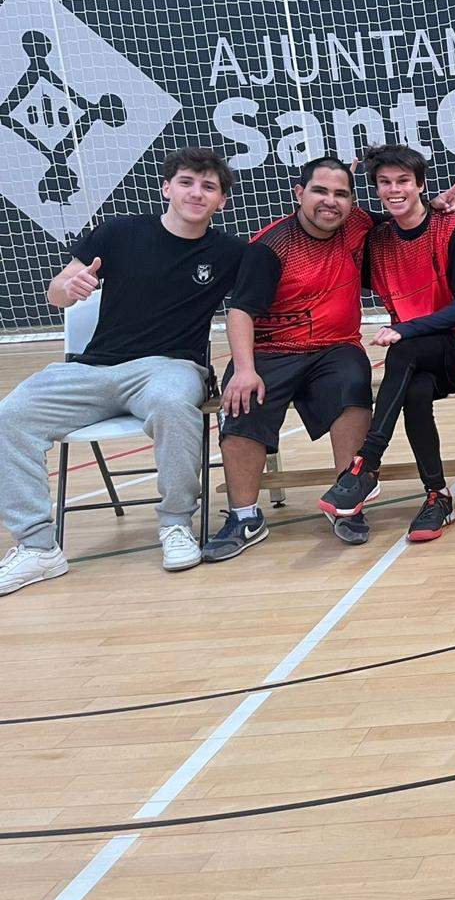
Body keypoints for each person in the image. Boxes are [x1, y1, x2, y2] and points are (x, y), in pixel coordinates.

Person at [0, 149, 244, 594]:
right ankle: (38, 548)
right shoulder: (118, 233)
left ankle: (175, 525)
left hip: (170, 367)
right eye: (187, 182)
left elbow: (254, 306)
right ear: (166, 188)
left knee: (174, 405)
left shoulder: (229, 252)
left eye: (209, 187)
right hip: (94, 369)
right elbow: (58, 292)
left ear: (222, 201)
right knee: (10, 415)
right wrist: (68, 287)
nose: (196, 192)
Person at [203, 157, 377, 559]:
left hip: (335, 347)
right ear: (299, 194)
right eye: (320, 191)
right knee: (243, 401)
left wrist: (434, 205)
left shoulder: (360, 225)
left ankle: (347, 503)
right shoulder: (270, 247)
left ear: (352, 201)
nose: (330, 201)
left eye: (340, 194)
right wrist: (244, 370)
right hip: (271, 349)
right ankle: (245, 517)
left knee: (352, 385)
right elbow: (241, 311)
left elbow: (403, 219)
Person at [317, 146, 455, 542]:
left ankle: (365, 463)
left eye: (403, 182)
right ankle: (437, 495)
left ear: (420, 184)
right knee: (412, 391)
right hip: (413, 361)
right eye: (385, 183)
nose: (394, 189)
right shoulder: (376, 239)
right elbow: (341, 222)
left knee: (403, 351)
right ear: (375, 189)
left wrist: (407, 330)